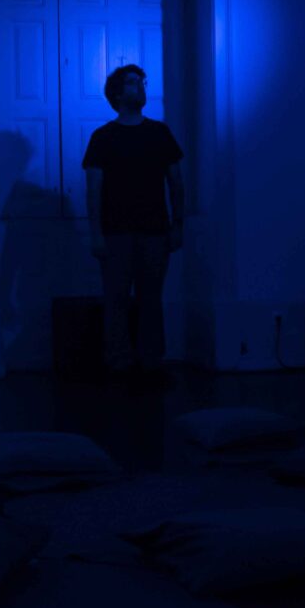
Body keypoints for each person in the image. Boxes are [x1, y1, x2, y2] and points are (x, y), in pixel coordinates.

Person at [82, 64, 185, 386]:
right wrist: (96, 233)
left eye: (141, 81)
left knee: (150, 299)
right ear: (116, 93)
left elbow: (176, 183)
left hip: (155, 230)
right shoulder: (103, 137)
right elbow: (93, 188)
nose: (139, 86)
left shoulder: (160, 133)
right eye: (131, 82)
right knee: (115, 300)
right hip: (115, 232)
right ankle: (119, 364)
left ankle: (150, 362)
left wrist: (178, 225)